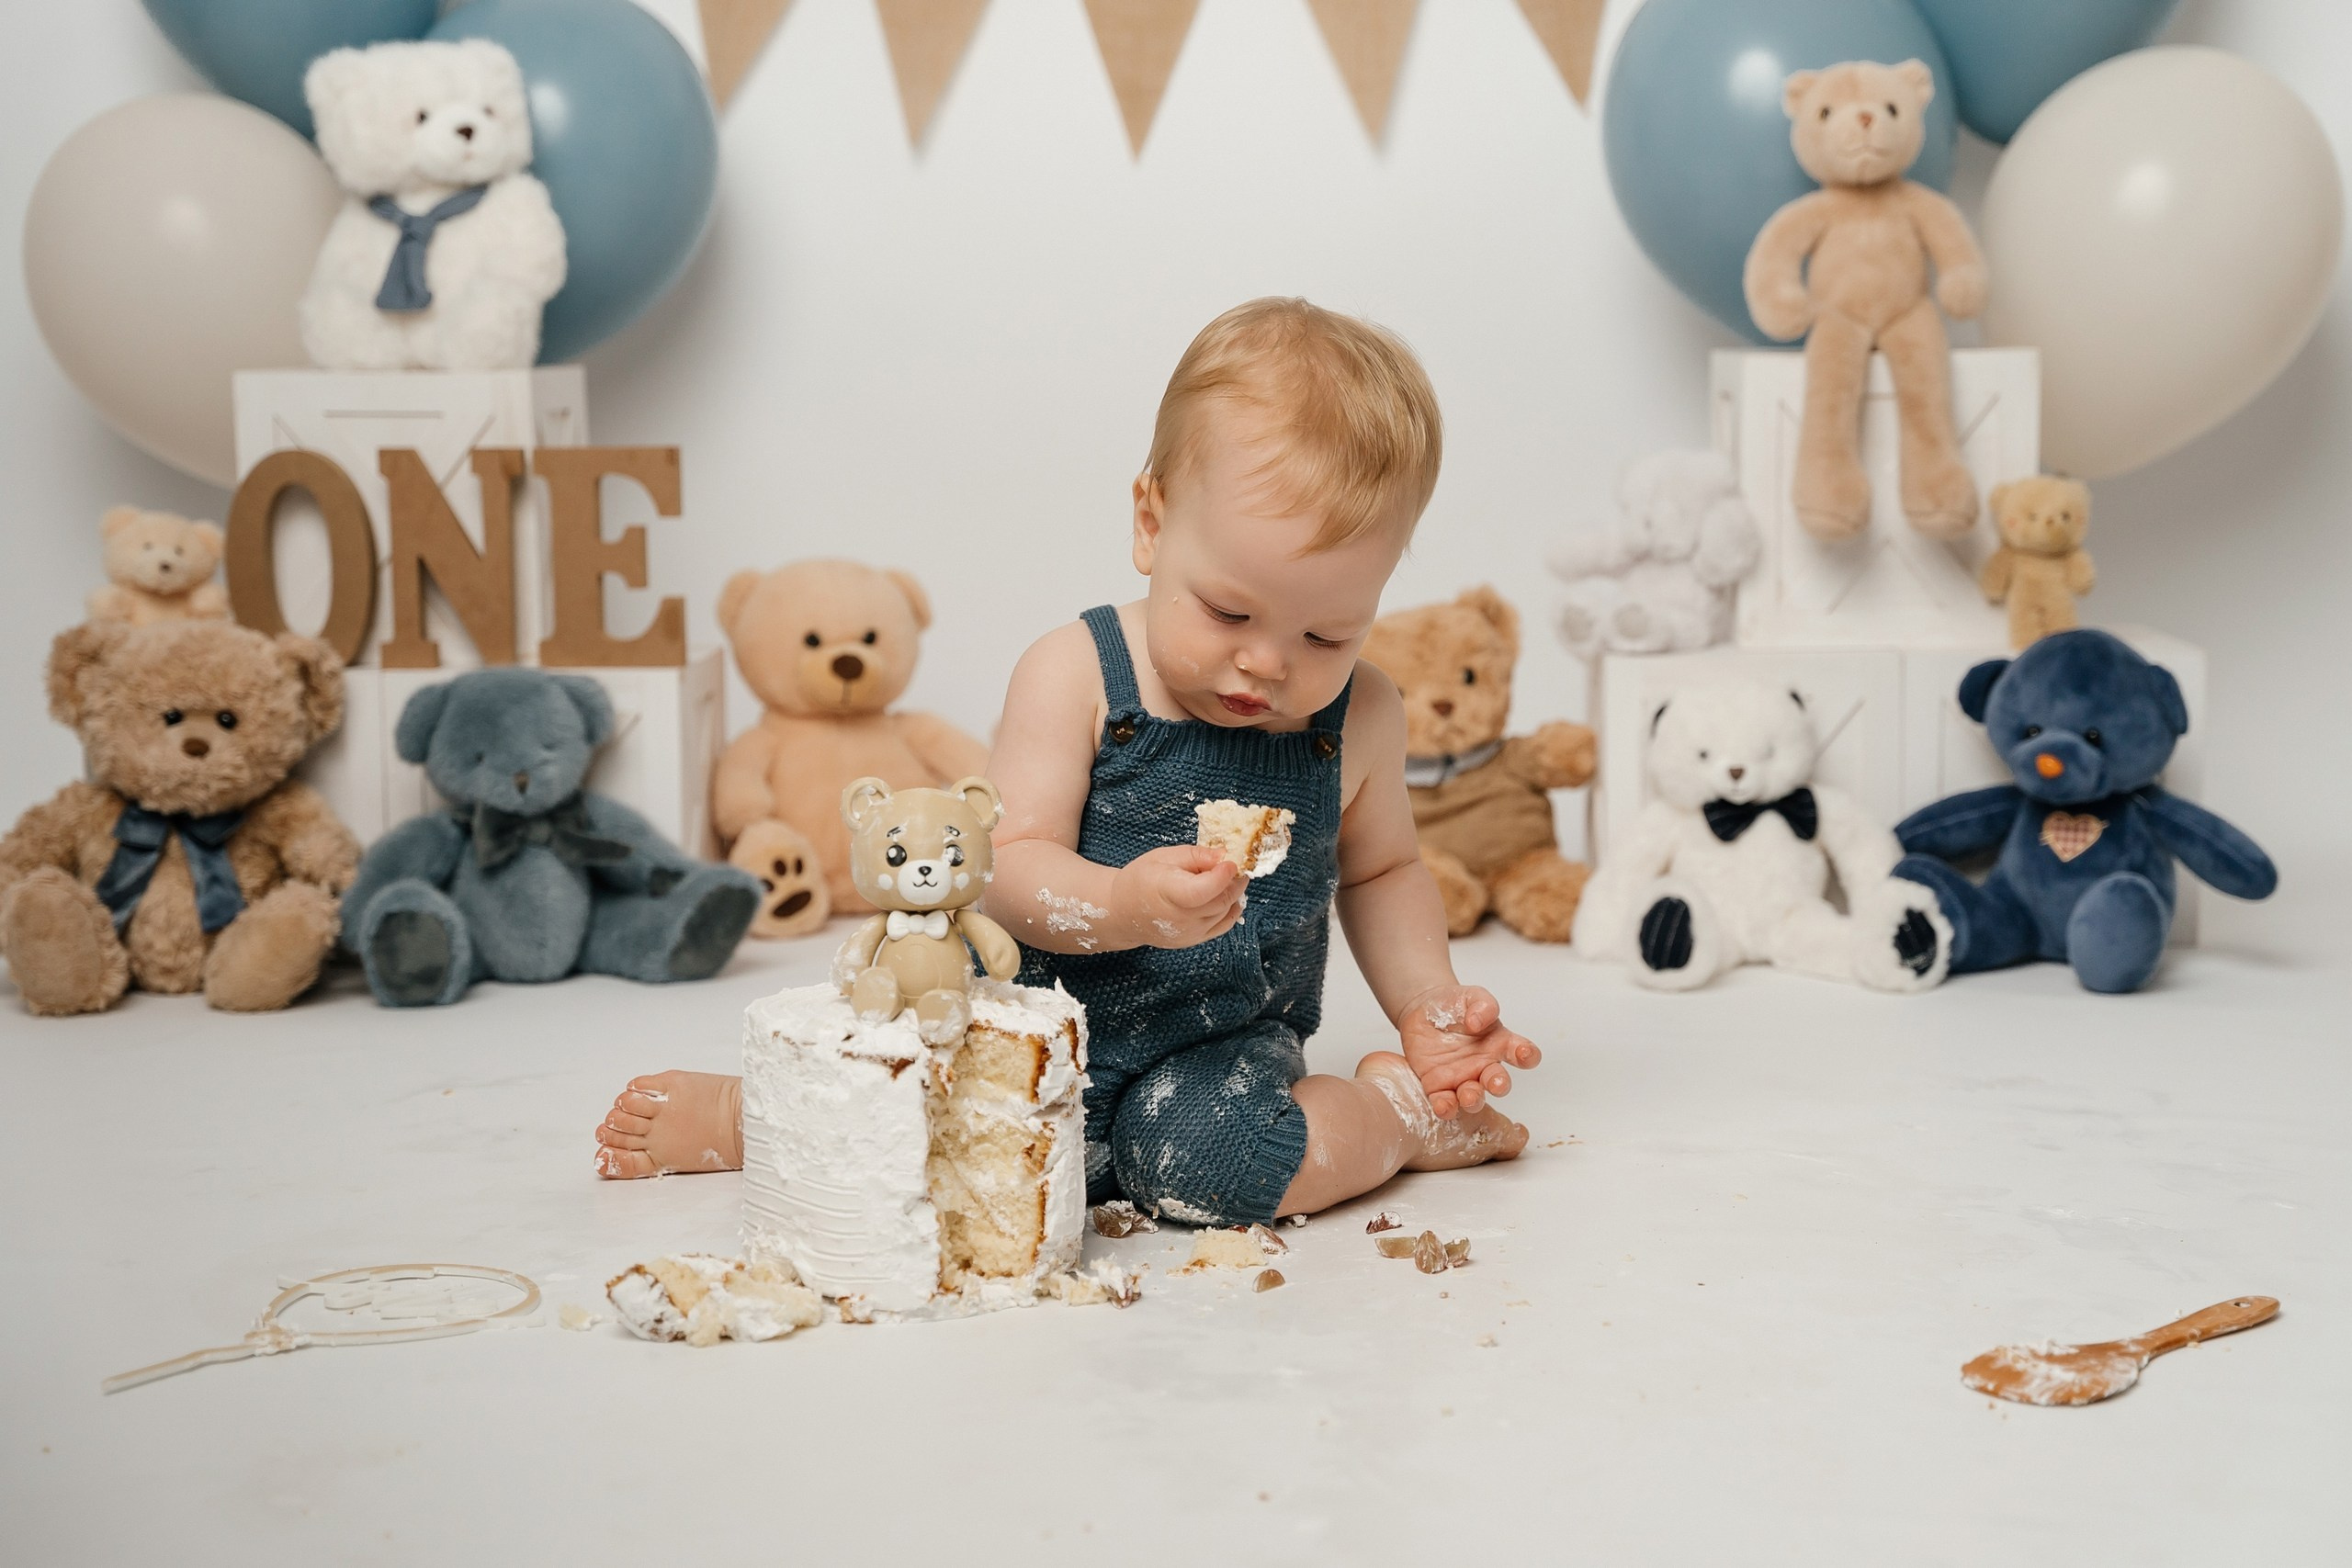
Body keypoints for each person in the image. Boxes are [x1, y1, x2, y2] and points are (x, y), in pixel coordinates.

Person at [594, 298, 1541, 1224]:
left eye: (1328, 632)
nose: (1269, 662)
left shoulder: (1361, 712)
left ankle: (1393, 1119)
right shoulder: (1079, 673)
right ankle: (750, 1117)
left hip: (1216, 1052)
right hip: (1030, 1012)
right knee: (938, 1122)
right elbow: (1008, 865)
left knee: (1209, 1166)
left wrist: (1428, 1003)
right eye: (1228, 612)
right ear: (1150, 522)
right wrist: (1124, 906)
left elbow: (1382, 870)